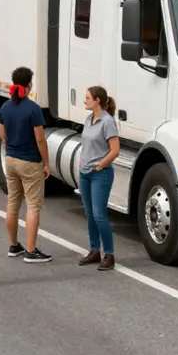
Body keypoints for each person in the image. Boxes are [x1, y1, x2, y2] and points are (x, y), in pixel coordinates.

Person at [0, 67, 52, 263]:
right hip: (29, 162)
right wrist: (46, 163)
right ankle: (31, 250)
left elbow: (2, 136)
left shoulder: (5, 107)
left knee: (13, 203)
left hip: (11, 160)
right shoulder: (33, 108)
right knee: (33, 206)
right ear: (29, 84)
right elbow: (40, 139)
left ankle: (14, 245)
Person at [77, 86, 121, 271]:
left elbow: (115, 150)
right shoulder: (89, 119)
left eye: (87, 98)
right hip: (85, 173)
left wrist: (101, 164)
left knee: (99, 214)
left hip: (99, 174)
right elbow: (87, 144)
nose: (84, 100)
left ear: (97, 101)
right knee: (89, 214)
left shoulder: (107, 122)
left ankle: (109, 254)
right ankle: (95, 251)